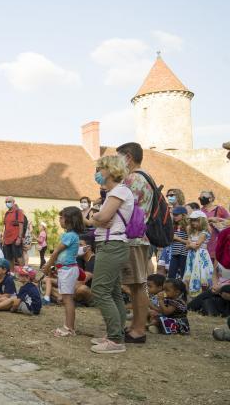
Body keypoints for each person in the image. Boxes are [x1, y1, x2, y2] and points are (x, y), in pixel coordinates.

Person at [87, 155, 134, 354]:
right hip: (111, 243)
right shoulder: (115, 192)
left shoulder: (119, 191)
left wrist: (94, 218)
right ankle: (115, 334)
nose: (97, 173)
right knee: (113, 292)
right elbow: (97, 218)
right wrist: (96, 218)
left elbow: (101, 217)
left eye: (100, 168)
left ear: (109, 170)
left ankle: (115, 339)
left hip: (112, 244)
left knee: (100, 290)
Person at [117, 142, 154, 344]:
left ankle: (138, 329)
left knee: (138, 285)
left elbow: (122, 207)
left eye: (119, 158)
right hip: (141, 237)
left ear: (128, 157)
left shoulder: (133, 178)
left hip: (133, 238)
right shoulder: (147, 177)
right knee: (136, 285)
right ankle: (136, 326)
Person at [43, 206, 85, 337]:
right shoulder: (70, 235)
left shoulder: (69, 236)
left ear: (70, 220)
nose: (60, 220)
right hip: (65, 270)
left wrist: (48, 265)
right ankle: (68, 326)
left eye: (62, 217)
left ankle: (69, 328)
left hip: (68, 271)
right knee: (67, 299)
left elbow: (56, 252)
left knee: (68, 300)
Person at [183, 210, 213, 297]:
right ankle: (190, 297)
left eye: (196, 220)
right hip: (191, 256)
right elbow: (187, 246)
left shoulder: (204, 232)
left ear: (202, 221)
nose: (193, 222)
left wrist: (191, 245)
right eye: (192, 220)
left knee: (201, 274)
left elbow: (196, 246)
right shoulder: (191, 232)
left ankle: (202, 296)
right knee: (189, 274)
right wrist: (192, 245)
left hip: (201, 256)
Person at [200, 190, 229, 263]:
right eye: (199, 197)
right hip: (204, 242)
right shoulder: (200, 211)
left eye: (203, 197)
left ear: (210, 198)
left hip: (216, 241)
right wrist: (208, 220)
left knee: (214, 267)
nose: (201, 199)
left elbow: (229, 222)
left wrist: (218, 219)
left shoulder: (220, 209)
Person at [2, 196, 26, 268]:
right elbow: (5, 227)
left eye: (9, 201)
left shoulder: (18, 212)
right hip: (7, 239)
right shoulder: (7, 213)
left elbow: (21, 225)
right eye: (6, 202)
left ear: (13, 202)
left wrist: (19, 237)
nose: (7, 203)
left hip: (15, 238)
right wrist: (3, 237)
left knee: (18, 256)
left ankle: (23, 273)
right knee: (9, 258)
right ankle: (12, 273)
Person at [167, 206, 189, 279]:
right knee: (171, 274)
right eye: (174, 215)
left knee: (183, 274)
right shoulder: (174, 226)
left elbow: (190, 242)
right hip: (175, 252)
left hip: (184, 253)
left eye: (177, 215)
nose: (174, 216)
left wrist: (177, 238)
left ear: (183, 215)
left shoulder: (187, 226)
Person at [73, 235, 96, 305]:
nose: (77, 247)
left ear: (88, 248)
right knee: (47, 282)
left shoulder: (94, 260)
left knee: (81, 289)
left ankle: (63, 297)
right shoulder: (81, 260)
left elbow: (81, 281)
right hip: (80, 289)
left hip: (94, 294)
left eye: (80, 245)